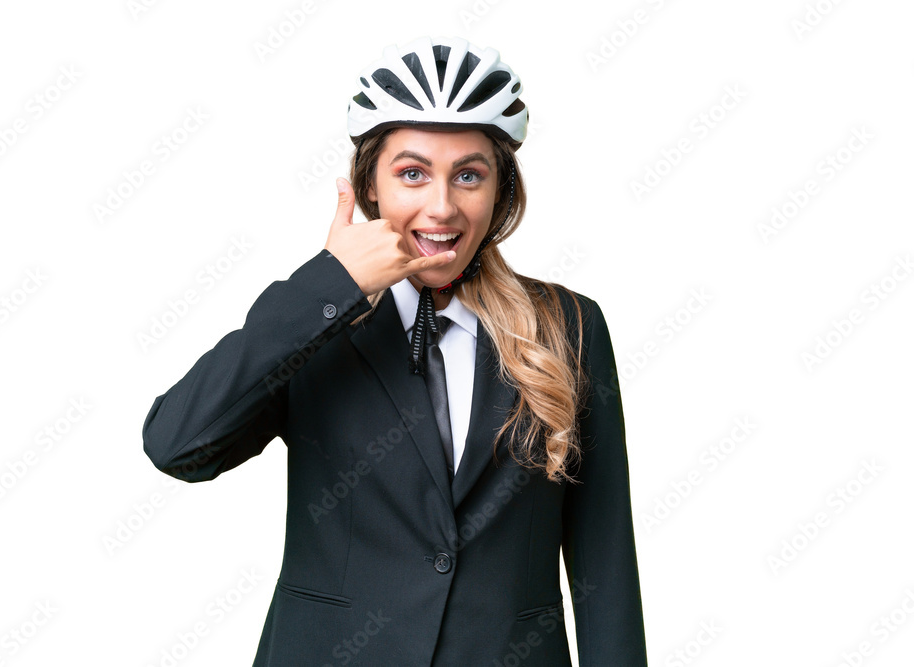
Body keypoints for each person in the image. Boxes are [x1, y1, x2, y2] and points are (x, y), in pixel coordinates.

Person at [143, 35, 647, 666]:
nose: (442, 207)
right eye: (412, 174)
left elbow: (605, 561)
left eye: (469, 175)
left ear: (500, 191)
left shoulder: (568, 326)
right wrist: (329, 285)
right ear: (370, 186)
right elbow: (178, 446)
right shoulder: (314, 321)